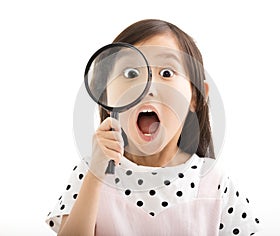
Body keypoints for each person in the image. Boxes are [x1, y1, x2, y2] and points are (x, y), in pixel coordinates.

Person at [46, 19, 261, 235]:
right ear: (106, 93)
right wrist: (95, 174)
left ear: (196, 96)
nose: (148, 87)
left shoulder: (215, 183)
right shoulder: (90, 172)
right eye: (131, 73)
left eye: (167, 73)